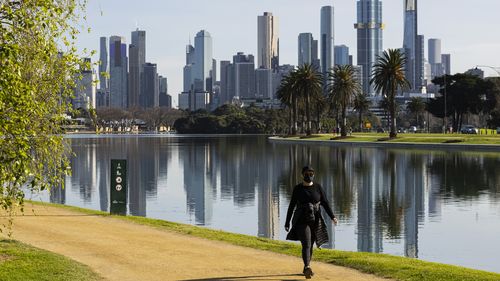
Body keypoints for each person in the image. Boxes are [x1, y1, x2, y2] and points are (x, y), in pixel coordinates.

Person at [285, 166, 338, 279]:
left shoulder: (318, 187)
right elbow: (291, 206)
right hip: (301, 221)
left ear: (313, 175)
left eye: (311, 173)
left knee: (311, 245)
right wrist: (287, 222)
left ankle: (306, 267)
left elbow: (325, 203)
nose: (309, 176)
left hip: (315, 220)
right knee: (306, 243)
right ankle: (307, 266)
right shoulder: (298, 189)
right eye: (306, 173)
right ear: (302, 175)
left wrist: (332, 217)